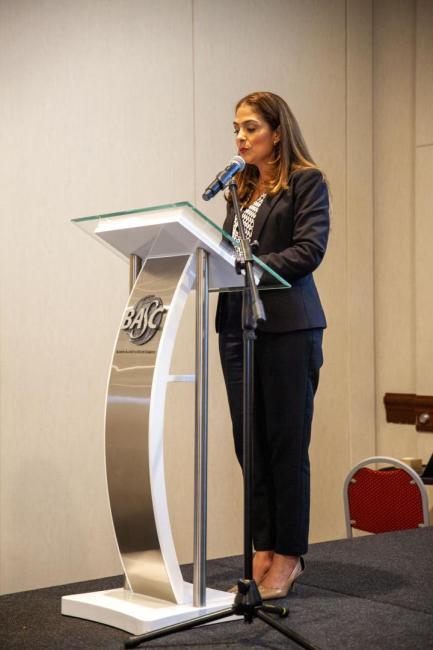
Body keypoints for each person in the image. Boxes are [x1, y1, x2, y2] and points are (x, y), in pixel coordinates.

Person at [216, 91, 330, 600]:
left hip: (287, 328)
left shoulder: (306, 181)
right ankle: (262, 549)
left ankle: (288, 556)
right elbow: (223, 253)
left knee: (286, 444)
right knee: (250, 446)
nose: (240, 137)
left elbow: (309, 249)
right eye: (236, 129)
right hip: (238, 327)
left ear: (277, 132)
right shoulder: (238, 188)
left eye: (250, 127)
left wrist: (252, 268)